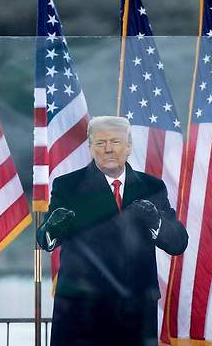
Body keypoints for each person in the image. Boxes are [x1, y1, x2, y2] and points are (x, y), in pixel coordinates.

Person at [37, 116, 188, 346]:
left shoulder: (151, 187)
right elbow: (45, 240)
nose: (108, 149)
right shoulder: (68, 185)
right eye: (100, 143)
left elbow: (178, 243)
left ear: (128, 147)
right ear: (90, 148)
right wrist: (52, 227)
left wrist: (156, 221)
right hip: (81, 311)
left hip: (135, 311)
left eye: (115, 142)